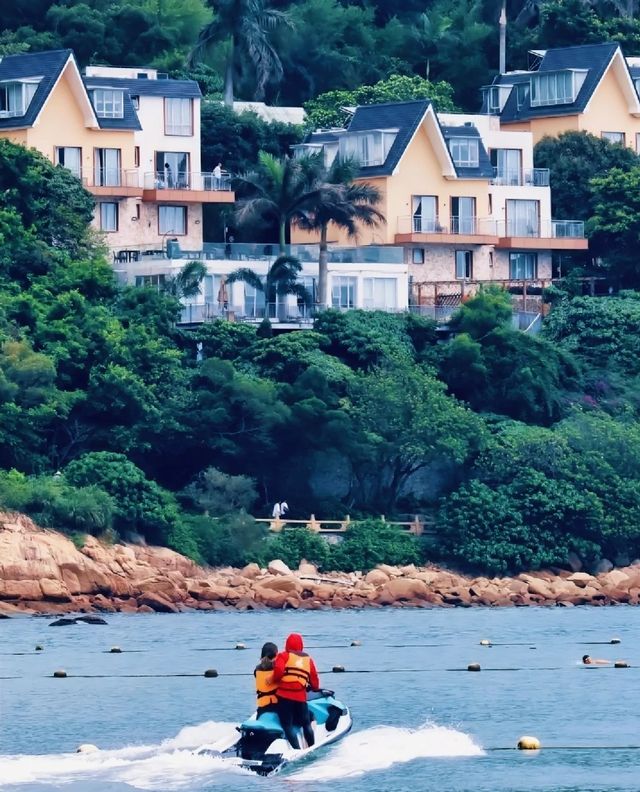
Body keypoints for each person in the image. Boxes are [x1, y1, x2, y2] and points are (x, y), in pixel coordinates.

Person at [273, 633, 319, 749]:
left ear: (287, 644)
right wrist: (314, 688)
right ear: (301, 645)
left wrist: (274, 680)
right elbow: (314, 680)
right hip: (300, 698)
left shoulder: (283, 656)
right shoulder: (308, 660)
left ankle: (297, 750)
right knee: (306, 724)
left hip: (284, 697)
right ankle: (311, 748)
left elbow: (278, 671)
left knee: (287, 725)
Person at [254, 642, 279, 717]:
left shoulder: (257, 670)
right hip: (277, 708)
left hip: (262, 709)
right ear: (276, 655)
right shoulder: (278, 669)